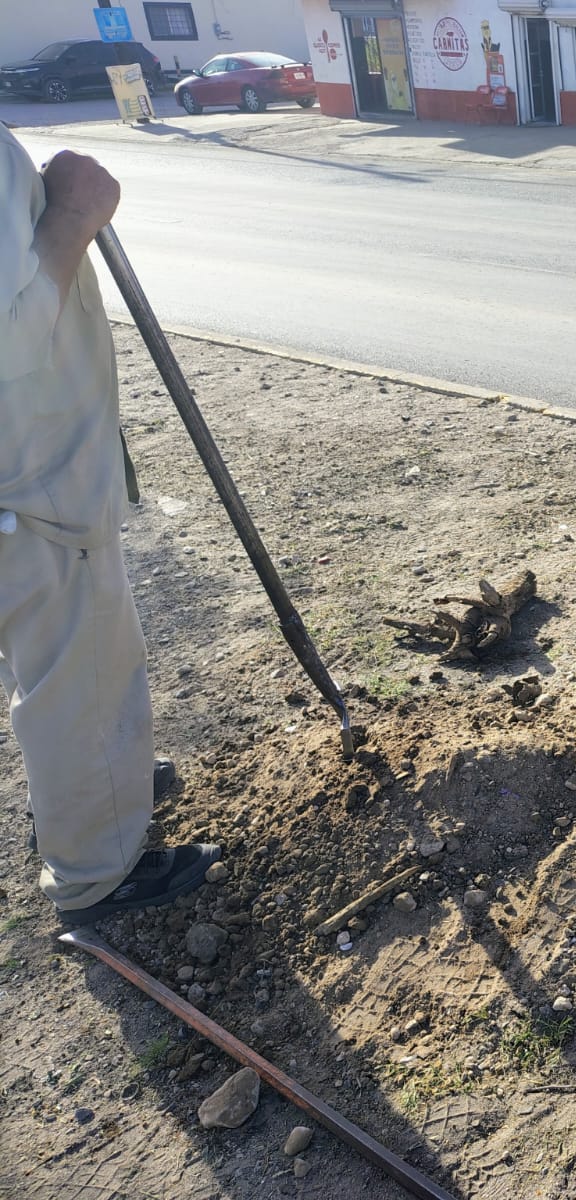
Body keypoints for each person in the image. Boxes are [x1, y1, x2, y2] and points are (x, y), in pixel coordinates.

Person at [1, 126, 219, 923]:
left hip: (25, 482)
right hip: (31, 488)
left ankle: (93, 790)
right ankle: (97, 870)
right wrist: (72, 215)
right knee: (77, 672)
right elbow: (9, 336)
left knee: (51, 664)